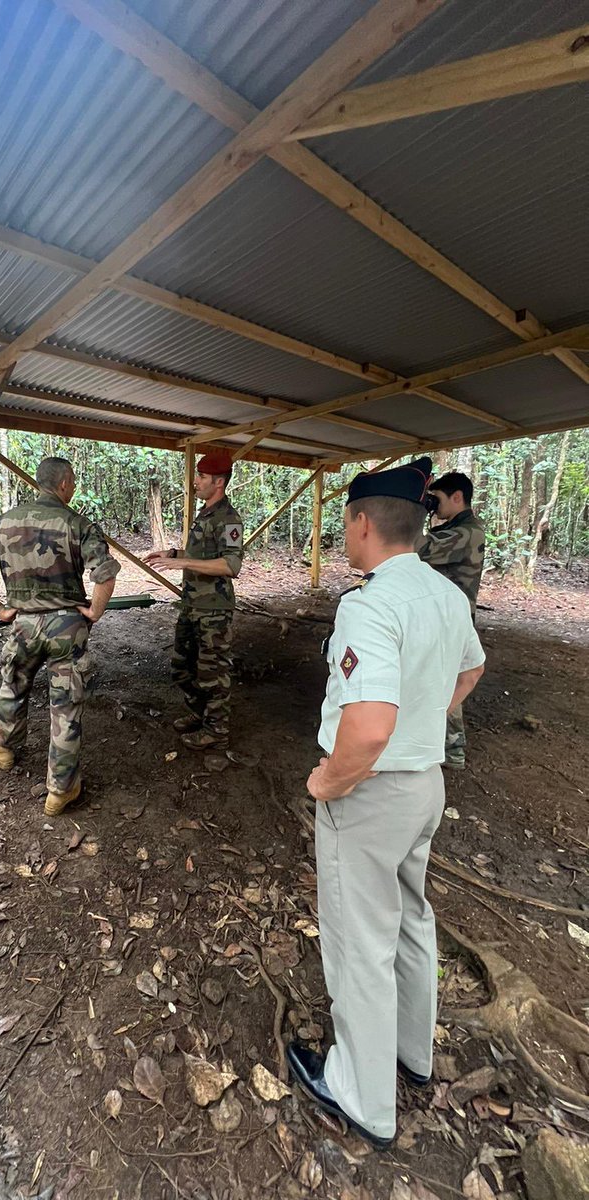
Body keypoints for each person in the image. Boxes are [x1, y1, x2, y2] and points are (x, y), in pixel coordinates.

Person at [287, 457, 485, 1149]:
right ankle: (411, 1054)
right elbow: (472, 667)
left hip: (373, 795)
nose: (344, 533)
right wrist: (425, 721)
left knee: (358, 941)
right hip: (425, 784)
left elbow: (367, 726)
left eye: (345, 522)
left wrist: (329, 782)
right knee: (409, 919)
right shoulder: (445, 595)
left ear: (362, 523)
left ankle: (362, 1095)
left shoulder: (367, 605)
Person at [0, 457, 120, 816]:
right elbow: (105, 574)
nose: (74, 487)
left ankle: (2, 745)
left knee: (14, 681)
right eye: (74, 481)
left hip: (24, 623)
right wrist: (94, 611)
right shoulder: (78, 524)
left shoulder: (6, 521)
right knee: (65, 704)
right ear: (63, 483)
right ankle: (61, 789)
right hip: (67, 627)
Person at [145, 451, 243, 752]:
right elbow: (202, 555)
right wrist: (174, 555)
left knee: (212, 672)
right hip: (192, 606)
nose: (195, 481)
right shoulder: (205, 514)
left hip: (214, 609)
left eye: (201, 477)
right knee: (182, 667)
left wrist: (182, 564)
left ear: (219, 482)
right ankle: (200, 716)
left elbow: (231, 565)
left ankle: (217, 732)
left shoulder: (229, 518)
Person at [417, 471, 485, 770]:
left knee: (448, 680)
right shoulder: (457, 527)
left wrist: (414, 508)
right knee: (443, 677)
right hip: (445, 615)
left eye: (438, 499)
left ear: (457, 496)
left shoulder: (467, 532)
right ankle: (447, 744)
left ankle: (453, 748)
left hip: (453, 620)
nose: (435, 505)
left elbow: (419, 549)